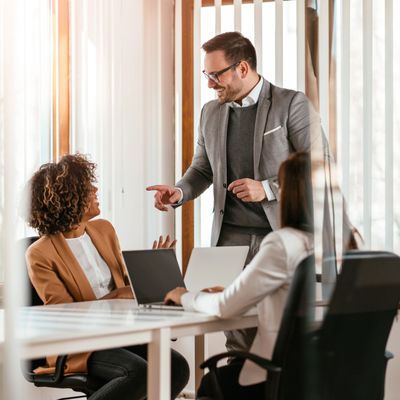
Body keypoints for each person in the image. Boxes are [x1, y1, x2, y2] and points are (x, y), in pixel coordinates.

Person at [147, 31, 324, 352]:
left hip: (278, 238)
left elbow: (320, 166)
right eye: (207, 75)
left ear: (242, 68)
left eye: (216, 75)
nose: (210, 84)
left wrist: (267, 189)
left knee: (281, 336)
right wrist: (180, 192)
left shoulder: (291, 104)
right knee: (233, 332)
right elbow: (202, 169)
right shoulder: (210, 113)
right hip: (229, 241)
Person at [25, 154, 189, 400]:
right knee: (137, 372)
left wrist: (152, 269)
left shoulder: (104, 230)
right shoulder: (40, 253)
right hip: (79, 343)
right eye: (86, 187)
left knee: (176, 367)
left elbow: (126, 286)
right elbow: (62, 313)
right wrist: (117, 295)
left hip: (118, 333)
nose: (95, 189)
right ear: (69, 198)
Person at [164, 151, 314, 399]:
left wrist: (185, 296)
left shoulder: (283, 244)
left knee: (214, 382)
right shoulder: (341, 245)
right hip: (326, 377)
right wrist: (237, 292)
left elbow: (224, 308)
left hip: (279, 381)